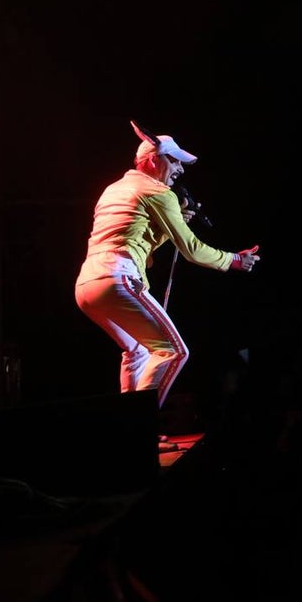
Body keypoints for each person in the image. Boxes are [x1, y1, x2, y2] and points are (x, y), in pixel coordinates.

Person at [75, 121, 261, 411]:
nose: (180, 169)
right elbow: (193, 250)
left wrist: (168, 227)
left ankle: (128, 431)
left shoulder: (114, 189)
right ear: (152, 160)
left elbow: (134, 240)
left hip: (88, 284)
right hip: (117, 278)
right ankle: (138, 429)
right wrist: (235, 260)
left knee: (137, 351)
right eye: (174, 160)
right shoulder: (158, 193)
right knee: (173, 351)